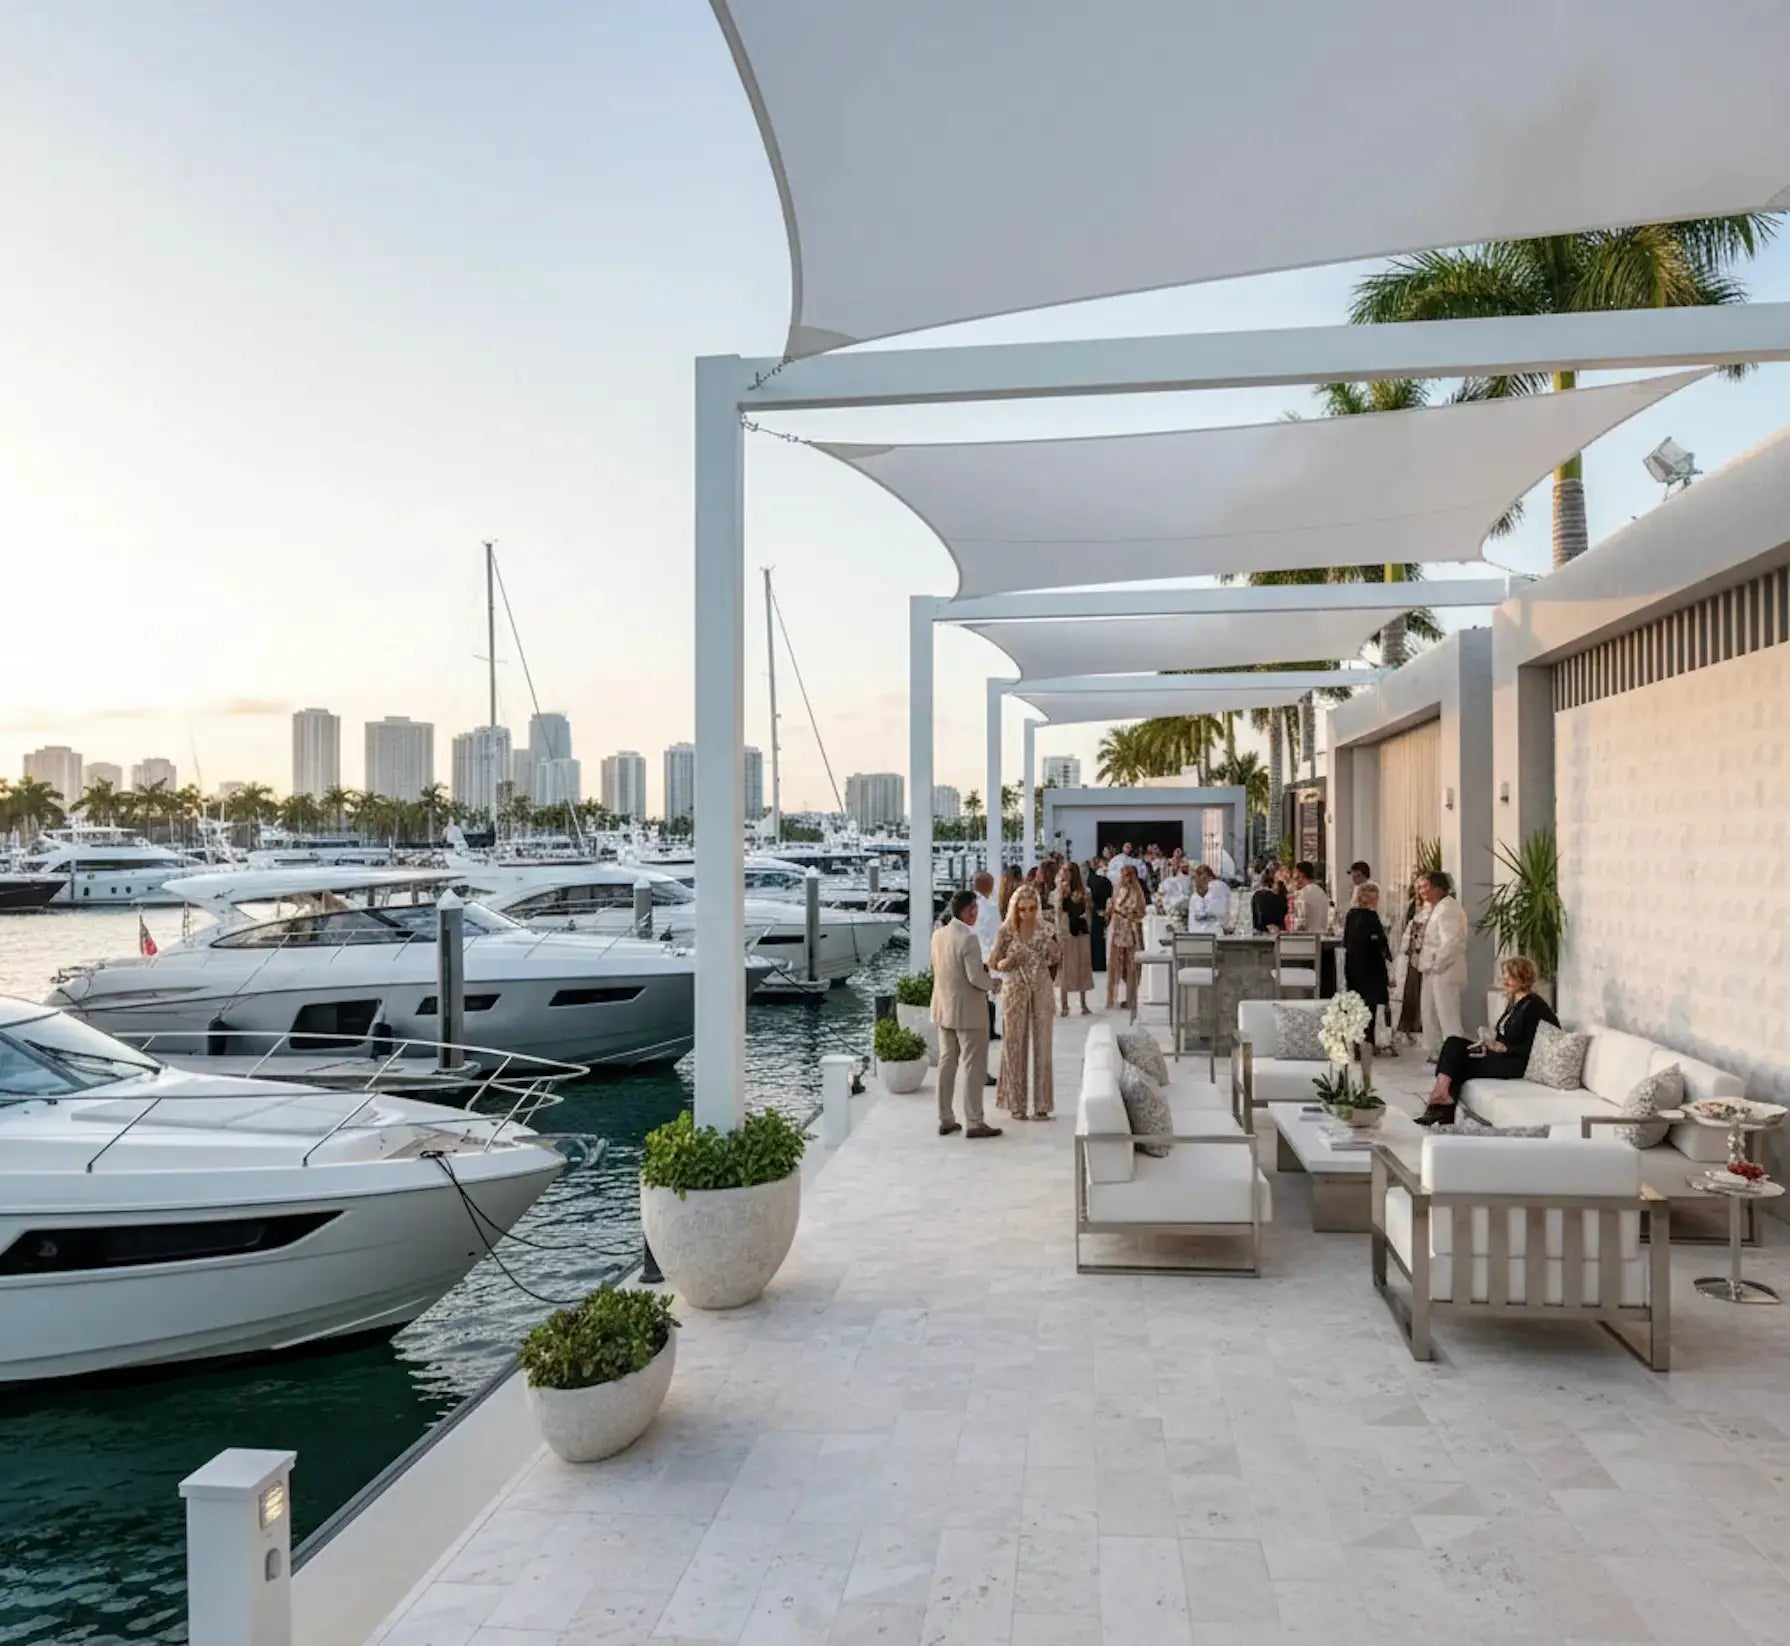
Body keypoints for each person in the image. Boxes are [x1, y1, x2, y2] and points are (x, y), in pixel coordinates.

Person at [1418, 955, 1558, 1125]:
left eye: (1510, 976)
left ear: (1523, 976)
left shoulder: (1534, 1006)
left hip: (1515, 1063)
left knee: (1459, 1063)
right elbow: (1505, 1034)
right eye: (1505, 975)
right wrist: (1490, 1044)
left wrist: (1506, 1049)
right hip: (1500, 1055)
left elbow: (1539, 1044)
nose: (1505, 979)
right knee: (1453, 1043)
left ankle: (1440, 1106)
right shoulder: (1514, 1000)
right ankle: (1441, 1095)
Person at [928, 890, 1003, 1138]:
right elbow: (975, 977)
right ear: (967, 910)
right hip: (968, 1011)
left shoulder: (938, 935)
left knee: (947, 1063)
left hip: (943, 1008)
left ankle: (945, 1118)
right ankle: (974, 1121)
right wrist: (993, 984)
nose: (977, 913)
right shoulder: (968, 939)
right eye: (974, 909)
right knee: (973, 1065)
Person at [989, 884, 1060, 1119]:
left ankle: (1042, 1104)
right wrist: (1009, 962)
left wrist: (1054, 950)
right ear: (1015, 909)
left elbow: (1056, 958)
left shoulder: (1047, 929)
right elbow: (993, 962)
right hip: (1015, 989)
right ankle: (1015, 1103)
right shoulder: (1006, 931)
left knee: (1043, 1045)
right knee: (1013, 1044)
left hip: (1041, 987)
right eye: (1022, 909)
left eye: (1031, 908)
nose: (1027, 914)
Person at [1415, 869, 1469, 1058]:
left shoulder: (1448, 908)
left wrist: (1437, 964)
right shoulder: (1433, 908)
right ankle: (1437, 1051)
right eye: (1420, 887)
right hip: (1432, 969)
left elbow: (1450, 942)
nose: (1421, 891)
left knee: (1447, 1015)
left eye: (1425, 886)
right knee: (1430, 1013)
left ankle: (1454, 1056)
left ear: (1438, 888)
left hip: (1445, 970)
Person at [1342, 881, 1394, 1048]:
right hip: (1371, 967)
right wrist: (1388, 958)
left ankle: (1356, 1041)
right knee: (1370, 1006)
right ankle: (1368, 1042)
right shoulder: (1372, 917)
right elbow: (1380, 943)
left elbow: (1346, 941)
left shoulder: (1351, 915)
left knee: (1357, 1004)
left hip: (1354, 965)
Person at [1105, 863, 1147, 1011]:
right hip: (1117, 929)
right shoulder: (1117, 888)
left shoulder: (1137, 892)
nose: (1125, 878)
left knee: (1131, 966)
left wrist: (1129, 914)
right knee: (1115, 964)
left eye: (1128, 875)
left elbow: (1141, 911)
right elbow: (1112, 906)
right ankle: (1112, 998)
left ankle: (1131, 998)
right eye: (1123, 875)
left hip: (1131, 930)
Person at [1392, 875, 1428, 1044]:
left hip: (1423, 955)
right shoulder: (1413, 907)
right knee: (1411, 992)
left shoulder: (1434, 910)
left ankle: (1418, 1027)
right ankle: (1409, 1028)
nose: (1420, 892)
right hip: (1412, 954)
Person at [1054, 862, 1094, 1015]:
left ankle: (1083, 1003)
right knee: (1065, 967)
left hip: (1081, 931)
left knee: (1083, 965)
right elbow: (1058, 912)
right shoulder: (1060, 891)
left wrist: (1088, 927)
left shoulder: (1085, 891)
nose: (1064, 874)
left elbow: (1088, 911)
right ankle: (1064, 1005)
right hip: (1065, 931)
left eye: (1067, 871)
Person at [972, 871, 1003, 1059]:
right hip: (986, 953)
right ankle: (989, 1029)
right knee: (988, 993)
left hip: (972, 952)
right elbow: (996, 933)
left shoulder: (969, 905)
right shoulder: (990, 908)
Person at [1291, 861, 1333, 934]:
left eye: (1295, 876)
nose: (1294, 879)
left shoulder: (1301, 894)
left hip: (1307, 937)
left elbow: (1300, 923)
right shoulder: (1321, 893)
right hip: (1322, 935)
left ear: (1301, 874)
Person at [1087, 856, 1112, 975]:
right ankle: (1100, 963)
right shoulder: (1103, 881)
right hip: (1101, 909)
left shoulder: (1091, 879)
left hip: (1096, 910)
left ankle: (1097, 963)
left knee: (1097, 938)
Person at [1187, 863, 1231, 929]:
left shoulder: (1215, 886)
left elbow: (1207, 911)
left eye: (1204, 878)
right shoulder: (1222, 886)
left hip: (1206, 929)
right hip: (1214, 929)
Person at [1250, 868, 1288, 934]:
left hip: (1262, 932)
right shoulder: (1283, 897)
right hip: (1280, 930)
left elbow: (1256, 919)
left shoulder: (1258, 896)